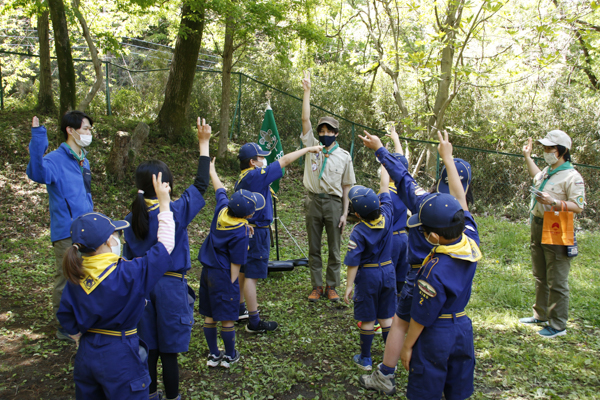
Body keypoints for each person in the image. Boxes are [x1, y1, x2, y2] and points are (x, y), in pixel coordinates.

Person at [358, 130, 475, 396]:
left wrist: (380, 149)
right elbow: (461, 197)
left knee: (401, 322)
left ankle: (386, 374)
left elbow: (402, 177)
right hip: (455, 311)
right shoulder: (466, 227)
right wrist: (449, 158)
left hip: (419, 279)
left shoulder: (424, 204)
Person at [57, 172, 175, 399]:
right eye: (115, 234)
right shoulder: (129, 272)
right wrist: (164, 203)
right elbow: (165, 245)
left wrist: (81, 338)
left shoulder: (76, 275)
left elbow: (66, 318)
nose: (117, 239)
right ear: (106, 242)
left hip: (87, 353)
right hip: (120, 355)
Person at [122, 118, 211, 400]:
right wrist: (204, 143)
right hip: (171, 289)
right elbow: (200, 184)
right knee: (169, 352)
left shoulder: (129, 220)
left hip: (142, 288)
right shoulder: (173, 212)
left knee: (148, 349)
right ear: (166, 185)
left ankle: (148, 396)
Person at [234, 141, 323, 333]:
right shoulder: (255, 175)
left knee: (244, 269)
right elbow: (284, 160)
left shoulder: (242, 178)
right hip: (257, 232)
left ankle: (239, 309)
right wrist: (308, 149)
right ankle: (254, 321)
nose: (264, 160)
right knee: (252, 276)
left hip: (245, 230)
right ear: (252, 162)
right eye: (261, 157)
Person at [26, 111, 95, 341]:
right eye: (85, 129)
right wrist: (38, 138)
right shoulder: (56, 159)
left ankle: (85, 319)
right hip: (66, 231)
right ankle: (65, 326)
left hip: (87, 229)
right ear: (71, 130)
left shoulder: (84, 160)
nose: (88, 133)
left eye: (89, 129)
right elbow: (37, 173)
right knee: (66, 278)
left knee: (87, 274)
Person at [198, 159, 264, 368]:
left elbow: (219, 188)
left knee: (210, 316)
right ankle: (229, 354)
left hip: (207, 272)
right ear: (248, 215)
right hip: (225, 274)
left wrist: (211, 169)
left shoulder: (223, 210)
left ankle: (213, 354)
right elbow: (237, 262)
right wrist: (233, 284)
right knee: (227, 318)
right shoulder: (240, 232)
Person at [519, 130, 585, 338]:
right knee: (540, 274)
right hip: (538, 224)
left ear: (562, 151)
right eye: (545, 148)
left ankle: (557, 325)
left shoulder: (572, 177)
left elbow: (578, 206)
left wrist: (554, 202)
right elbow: (535, 176)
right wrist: (527, 157)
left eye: (550, 148)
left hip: (557, 226)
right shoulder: (548, 170)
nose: (546, 151)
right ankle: (540, 315)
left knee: (556, 277)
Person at [301, 70, 356, 302]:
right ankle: (317, 286)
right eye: (321, 131)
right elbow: (305, 120)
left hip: (334, 204)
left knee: (334, 248)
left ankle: (332, 286)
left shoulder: (344, 156)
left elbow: (346, 188)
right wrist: (307, 92)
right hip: (313, 201)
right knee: (314, 248)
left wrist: (345, 213)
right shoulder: (312, 146)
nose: (324, 135)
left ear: (336, 133)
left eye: (328, 132)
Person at [343, 174, 396, 372]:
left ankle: (365, 358)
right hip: (388, 271)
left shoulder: (359, 230)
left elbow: (353, 262)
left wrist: (349, 285)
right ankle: (390, 358)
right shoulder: (388, 213)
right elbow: (384, 186)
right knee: (386, 317)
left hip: (368, 276)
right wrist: (383, 163)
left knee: (367, 318)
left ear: (357, 215)